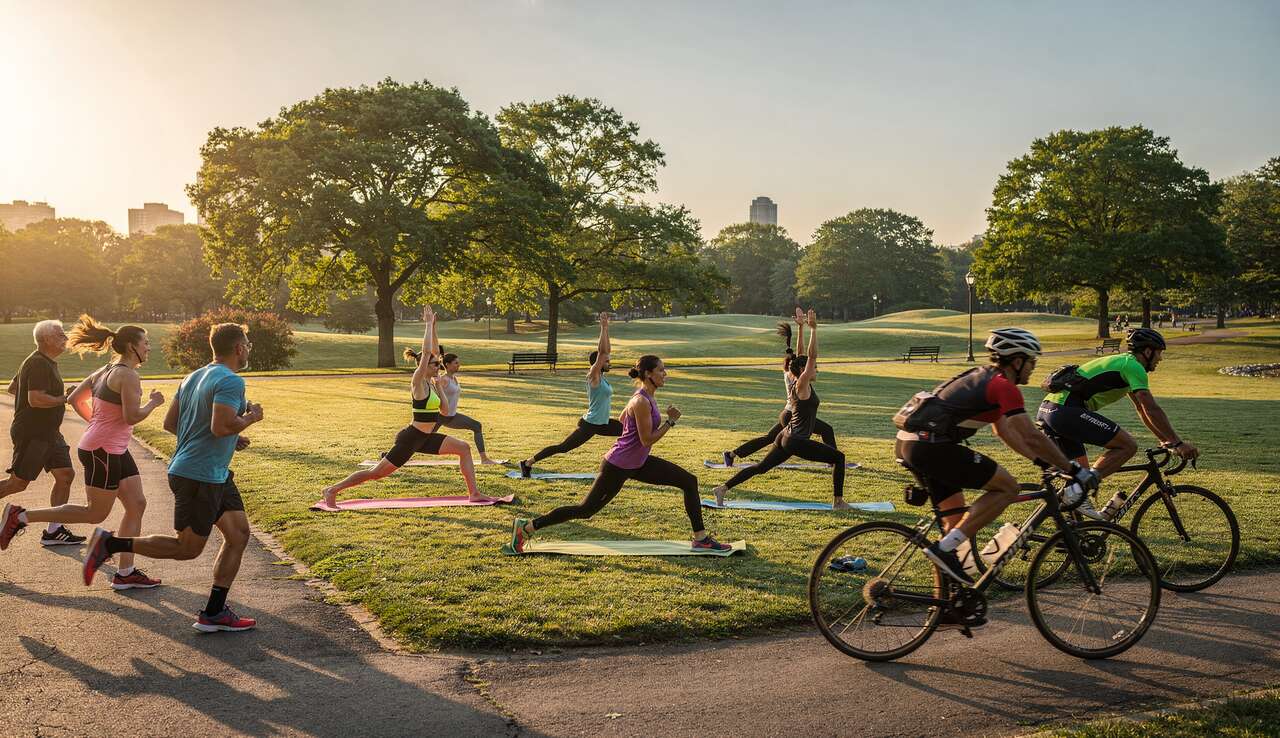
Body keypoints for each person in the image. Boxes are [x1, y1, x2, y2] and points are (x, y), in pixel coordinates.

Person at [80, 322, 263, 632]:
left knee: (238, 535)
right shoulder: (232, 381)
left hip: (212, 474)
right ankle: (110, 545)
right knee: (186, 548)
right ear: (238, 348)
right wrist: (249, 419)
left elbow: (170, 423)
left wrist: (230, 437)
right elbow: (221, 426)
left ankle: (214, 612)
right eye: (247, 343)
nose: (248, 348)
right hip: (199, 476)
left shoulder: (193, 376)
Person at [893, 328, 1092, 587]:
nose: (1034, 367)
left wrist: (1042, 462)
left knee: (954, 527)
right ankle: (944, 551)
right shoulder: (1003, 386)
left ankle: (947, 606)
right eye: (1032, 361)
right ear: (1017, 361)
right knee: (1007, 488)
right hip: (931, 447)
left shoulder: (984, 377)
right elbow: (1030, 434)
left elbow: (1005, 431)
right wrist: (1073, 469)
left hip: (911, 443)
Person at [506, 354, 731, 553]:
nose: (665, 373)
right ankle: (526, 528)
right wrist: (670, 422)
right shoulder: (641, 400)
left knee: (689, 481)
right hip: (618, 466)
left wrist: (633, 431)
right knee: (585, 511)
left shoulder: (644, 396)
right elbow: (647, 439)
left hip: (637, 462)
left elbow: (624, 419)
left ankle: (700, 538)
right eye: (661, 369)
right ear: (648, 373)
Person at [1, 316, 164, 589]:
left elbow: (76, 398)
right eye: (146, 343)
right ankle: (20, 517)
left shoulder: (105, 369)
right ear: (132, 347)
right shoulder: (127, 375)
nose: (149, 347)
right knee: (94, 513)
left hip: (110, 446)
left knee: (137, 504)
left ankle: (126, 572)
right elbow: (132, 416)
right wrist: (153, 403)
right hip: (104, 450)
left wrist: (98, 425)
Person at [317, 306, 498, 508]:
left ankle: (473, 493)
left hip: (426, 438)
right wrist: (428, 325)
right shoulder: (418, 382)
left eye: (439, 365)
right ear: (423, 366)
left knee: (464, 448)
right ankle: (331, 490)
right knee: (376, 474)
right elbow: (429, 352)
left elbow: (445, 412)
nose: (439, 367)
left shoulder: (432, 384)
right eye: (434, 365)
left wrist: (435, 331)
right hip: (411, 439)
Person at [1036, 327, 1198, 520]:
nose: (1160, 359)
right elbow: (1151, 407)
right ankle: (1078, 490)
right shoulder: (1134, 367)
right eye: (1159, 353)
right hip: (1065, 410)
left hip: (1048, 410)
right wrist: (1178, 443)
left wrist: (1166, 440)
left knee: (1078, 477)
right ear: (1148, 351)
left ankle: (1069, 540)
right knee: (1127, 446)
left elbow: (1141, 409)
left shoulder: (1124, 364)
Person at [712, 310, 851, 509]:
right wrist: (814, 330)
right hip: (797, 441)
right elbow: (811, 356)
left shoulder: (797, 379)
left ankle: (722, 489)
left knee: (761, 468)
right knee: (839, 457)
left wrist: (802, 328)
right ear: (804, 371)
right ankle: (838, 501)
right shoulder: (802, 384)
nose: (817, 369)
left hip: (787, 436)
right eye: (814, 368)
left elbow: (803, 356)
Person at [0, 319, 85, 546]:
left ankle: (53, 531)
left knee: (65, 475)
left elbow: (13, 388)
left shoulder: (43, 362)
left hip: (50, 433)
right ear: (46, 339)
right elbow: (35, 399)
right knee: (17, 484)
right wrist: (64, 398)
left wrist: (52, 398)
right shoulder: (38, 363)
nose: (65, 338)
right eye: (60, 334)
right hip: (33, 433)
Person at [720, 310, 837, 466]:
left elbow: (801, 352)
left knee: (769, 438)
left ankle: (732, 454)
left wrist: (801, 328)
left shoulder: (790, 370)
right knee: (827, 430)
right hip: (791, 414)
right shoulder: (794, 374)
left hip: (787, 413)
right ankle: (834, 459)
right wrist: (806, 329)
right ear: (796, 366)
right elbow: (803, 354)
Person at [518, 313, 621, 477]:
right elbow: (603, 352)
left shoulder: (603, 379)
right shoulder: (593, 377)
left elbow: (605, 352)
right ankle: (527, 462)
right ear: (598, 363)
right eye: (607, 362)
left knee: (630, 432)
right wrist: (604, 328)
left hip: (603, 423)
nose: (609, 363)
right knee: (563, 447)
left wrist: (606, 329)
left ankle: (624, 464)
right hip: (591, 424)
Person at [438, 349, 499, 465]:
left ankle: (484, 459)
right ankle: (403, 454)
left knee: (476, 426)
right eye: (456, 363)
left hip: (451, 417)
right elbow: (435, 396)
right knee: (421, 437)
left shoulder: (453, 378)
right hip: (440, 417)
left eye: (458, 362)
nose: (458, 365)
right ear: (447, 365)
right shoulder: (443, 379)